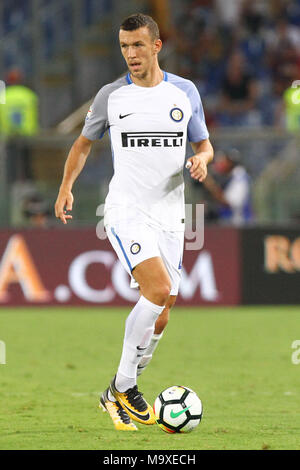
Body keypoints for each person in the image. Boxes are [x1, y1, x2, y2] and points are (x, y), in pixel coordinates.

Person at [55, 13, 213, 431]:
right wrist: (66, 186)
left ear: (156, 46)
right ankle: (123, 387)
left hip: (171, 213)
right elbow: (83, 144)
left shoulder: (184, 92)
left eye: (138, 45)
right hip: (126, 210)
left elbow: (205, 144)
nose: (130, 54)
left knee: (164, 309)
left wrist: (201, 159)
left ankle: (122, 387)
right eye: (124, 47)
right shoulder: (112, 96)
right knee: (157, 289)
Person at [202, 148, 252, 225]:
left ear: (230, 163)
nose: (220, 164)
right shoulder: (230, 176)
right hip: (231, 223)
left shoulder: (239, 176)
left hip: (238, 223)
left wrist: (210, 185)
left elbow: (229, 202)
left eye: (224, 161)